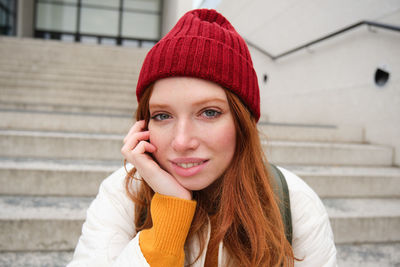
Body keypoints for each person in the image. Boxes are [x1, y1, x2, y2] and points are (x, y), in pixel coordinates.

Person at [68, 9, 337, 267]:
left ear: (242, 123)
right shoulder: (123, 194)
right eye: (162, 115)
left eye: (209, 112)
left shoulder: (294, 203)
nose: (182, 141)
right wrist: (169, 216)